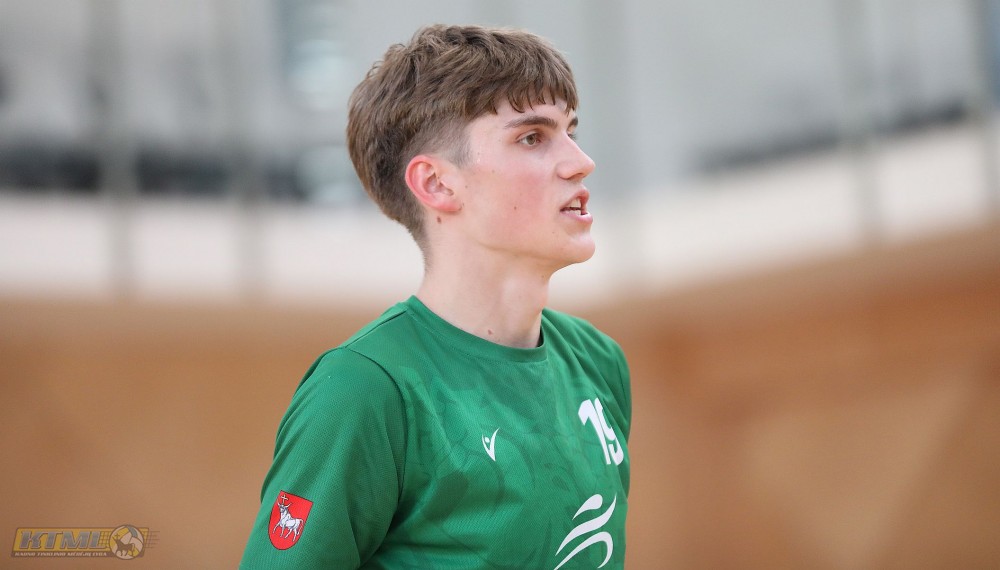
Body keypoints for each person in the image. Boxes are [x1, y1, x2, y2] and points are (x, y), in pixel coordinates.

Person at [240, 24, 631, 569]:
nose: (580, 161)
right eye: (532, 137)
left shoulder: (598, 363)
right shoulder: (364, 389)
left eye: (571, 130)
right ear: (437, 185)